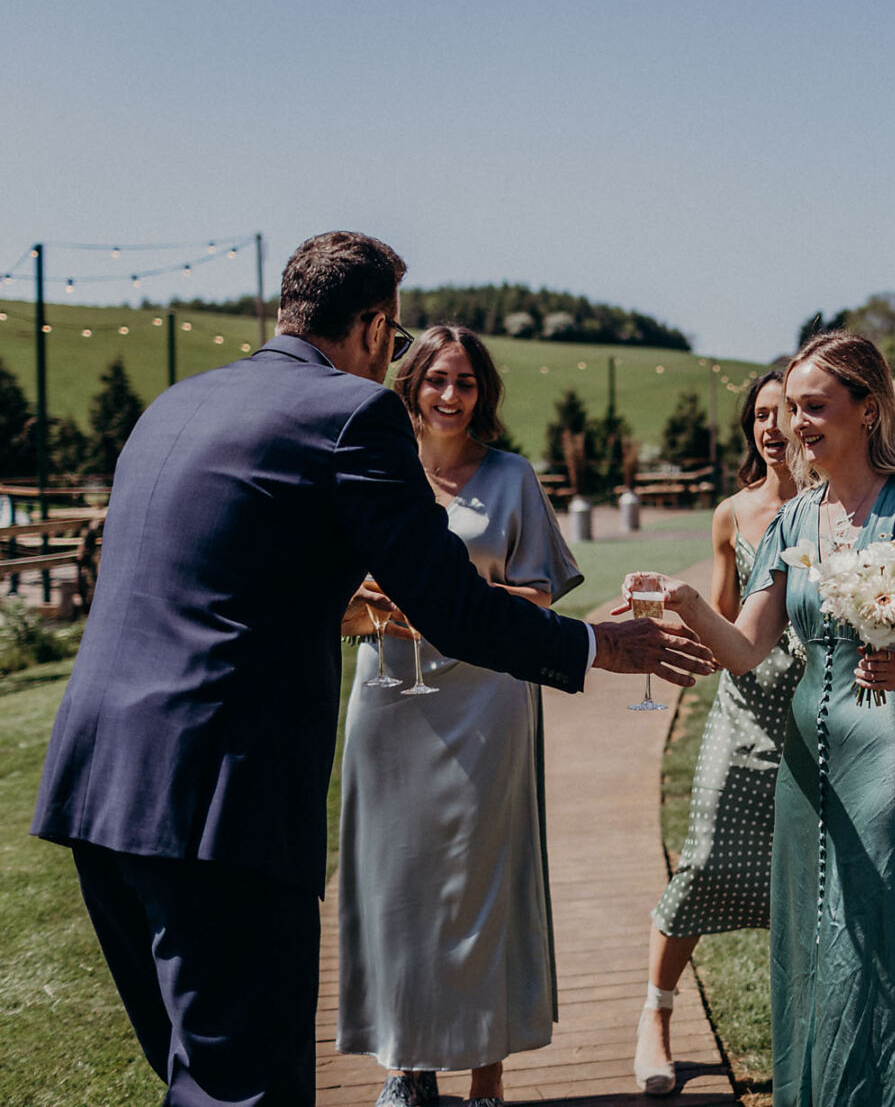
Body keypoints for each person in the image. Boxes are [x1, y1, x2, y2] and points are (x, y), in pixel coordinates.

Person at [29, 232, 712, 1107]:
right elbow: (450, 604)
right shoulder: (352, 416)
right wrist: (596, 645)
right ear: (375, 328)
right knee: (245, 1089)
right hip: (217, 801)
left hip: (97, 788)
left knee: (196, 1074)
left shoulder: (176, 404)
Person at [629, 331, 895, 1106]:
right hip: (805, 755)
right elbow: (747, 650)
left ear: (867, 410)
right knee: (817, 930)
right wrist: (688, 603)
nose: (796, 424)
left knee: (884, 924)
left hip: (888, 748)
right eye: (792, 408)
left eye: (814, 406)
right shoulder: (793, 521)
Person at [334, 326, 584, 1107]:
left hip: (487, 697)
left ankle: (487, 1076)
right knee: (396, 883)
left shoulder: (511, 476)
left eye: (466, 382)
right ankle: (406, 1067)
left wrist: (450, 600)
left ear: (483, 394)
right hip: (388, 700)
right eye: (436, 379)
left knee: (483, 884)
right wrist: (364, 607)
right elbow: (331, 604)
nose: (450, 395)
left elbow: (538, 592)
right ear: (410, 385)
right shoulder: (376, 475)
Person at [633, 369, 805, 1096]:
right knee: (705, 861)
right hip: (746, 711)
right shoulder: (733, 513)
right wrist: (668, 629)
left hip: (818, 717)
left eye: (782, 414)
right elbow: (728, 625)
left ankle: (811, 1030)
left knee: (807, 885)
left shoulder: (843, 508)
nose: (769, 429)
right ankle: (656, 1015)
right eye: (759, 417)